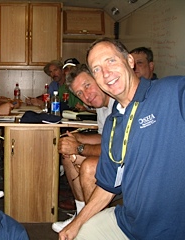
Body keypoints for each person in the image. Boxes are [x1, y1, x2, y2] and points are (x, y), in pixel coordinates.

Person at [59, 37, 185, 240]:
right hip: (129, 223)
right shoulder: (112, 123)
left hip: (171, 230)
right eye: (97, 69)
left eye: (110, 61)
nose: (106, 73)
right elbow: (108, 186)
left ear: (129, 61)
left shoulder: (172, 92)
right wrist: (77, 223)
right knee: (79, 234)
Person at [52, 64, 115, 233]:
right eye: (80, 93)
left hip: (126, 162)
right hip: (114, 157)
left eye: (87, 85)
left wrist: (80, 147)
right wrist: (77, 138)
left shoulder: (117, 102)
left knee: (88, 167)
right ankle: (81, 212)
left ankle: (95, 229)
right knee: (67, 152)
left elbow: (114, 148)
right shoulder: (101, 106)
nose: (86, 95)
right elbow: (104, 138)